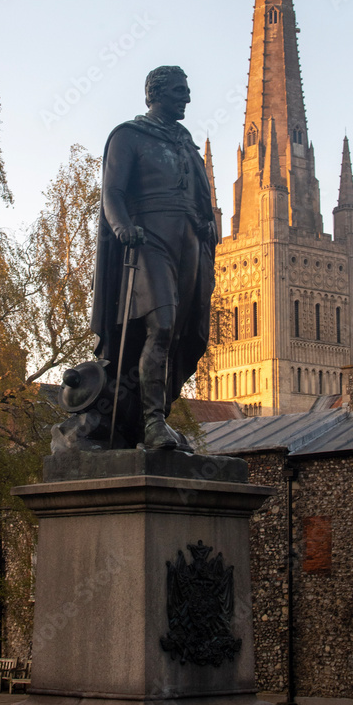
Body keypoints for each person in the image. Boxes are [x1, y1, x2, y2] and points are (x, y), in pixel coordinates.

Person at [91, 65, 216, 449]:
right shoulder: (129, 136)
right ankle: (152, 423)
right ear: (155, 93)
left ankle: (153, 414)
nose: (188, 98)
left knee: (180, 331)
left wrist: (208, 224)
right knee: (161, 324)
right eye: (180, 90)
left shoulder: (185, 143)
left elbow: (202, 199)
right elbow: (112, 191)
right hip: (149, 241)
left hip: (188, 243)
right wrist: (122, 227)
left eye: (188, 90)